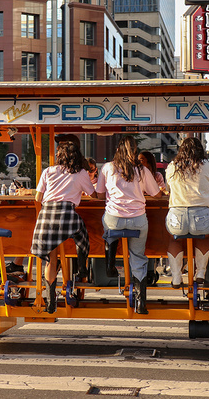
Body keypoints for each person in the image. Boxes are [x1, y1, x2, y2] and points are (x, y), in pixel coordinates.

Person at [95, 135, 162, 314]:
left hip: (114, 218)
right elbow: (157, 194)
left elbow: (100, 195)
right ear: (134, 152)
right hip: (138, 220)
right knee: (138, 257)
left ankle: (110, 258)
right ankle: (141, 303)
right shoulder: (142, 170)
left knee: (108, 226)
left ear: (118, 149)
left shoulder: (108, 168)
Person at [30, 141, 97, 313]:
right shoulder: (81, 173)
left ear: (59, 156)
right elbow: (94, 195)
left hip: (46, 215)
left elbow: (38, 198)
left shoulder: (48, 171)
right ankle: (82, 268)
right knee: (82, 235)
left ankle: (50, 301)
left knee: (51, 260)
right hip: (67, 214)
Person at [165, 138, 209, 288]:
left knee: (174, 240)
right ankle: (200, 273)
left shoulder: (173, 166)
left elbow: (168, 188)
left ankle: (177, 277)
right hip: (201, 215)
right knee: (203, 238)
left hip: (177, 216)